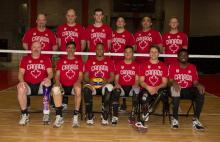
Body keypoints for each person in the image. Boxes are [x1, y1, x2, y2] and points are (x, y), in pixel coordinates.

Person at [17, 41, 53, 125]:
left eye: (38, 47)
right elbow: (20, 73)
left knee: (47, 84)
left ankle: (46, 114)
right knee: (21, 88)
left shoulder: (46, 59)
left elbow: (50, 73)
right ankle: (24, 114)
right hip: (28, 84)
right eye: (34, 47)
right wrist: (22, 82)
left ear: (41, 49)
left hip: (41, 84)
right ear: (31, 48)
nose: (36, 49)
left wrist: (48, 78)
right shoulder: (25, 59)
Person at [168, 48, 205, 131]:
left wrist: (199, 85)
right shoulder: (172, 65)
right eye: (181, 55)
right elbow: (169, 80)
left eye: (185, 55)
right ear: (178, 57)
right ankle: (175, 119)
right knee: (175, 90)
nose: (183, 56)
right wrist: (173, 82)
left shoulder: (192, 67)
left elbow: (195, 82)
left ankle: (196, 119)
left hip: (188, 90)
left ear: (188, 57)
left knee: (201, 92)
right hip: (177, 89)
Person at [56, 9, 86, 109]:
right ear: (66, 16)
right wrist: (67, 54)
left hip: (76, 59)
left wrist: (74, 55)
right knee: (62, 78)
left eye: (72, 16)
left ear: (75, 17)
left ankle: (76, 106)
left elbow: (83, 44)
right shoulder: (61, 28)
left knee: (76, 80)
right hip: (64, 58)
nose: (70, 17)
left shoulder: (80, 28)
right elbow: (60, 44)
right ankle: (63, 102)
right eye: (69, 15)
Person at [51, 41, 83, 128]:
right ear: (66, 49)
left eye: (72, 48)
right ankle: (59, 116)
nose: (70, 49)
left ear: (75, 49)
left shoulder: (79, 61)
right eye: (69, 47)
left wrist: (78, 82)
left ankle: (75, 116)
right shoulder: (61, 61)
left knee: (78, 89)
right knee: (55, 89)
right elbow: (57, 75)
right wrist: (58, 82)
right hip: (63, 85)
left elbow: (80, 76)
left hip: (73, 85)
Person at [83, 43, 115, 125]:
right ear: (95, 50)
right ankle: (90, 115)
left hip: (104, 85)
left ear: (104, 50)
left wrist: (107, 80)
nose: (99, 50)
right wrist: (89, 80)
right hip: (93, 84)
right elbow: (85, 76)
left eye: (101, 49)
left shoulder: (109, 61)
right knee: (86, 89)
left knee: (109, 88)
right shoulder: (90, 61)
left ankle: (104, 115)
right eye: (98, 49)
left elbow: (112, 76)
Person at [138, 45, 168, 131]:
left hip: (159, 89)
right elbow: (141, 81)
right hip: (147, 88)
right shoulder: (143, 65)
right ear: (149, 54)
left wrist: (156, 88)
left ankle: (149, 109)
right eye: (151, 51)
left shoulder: (163, 66)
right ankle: (145, 112)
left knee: (162, 93)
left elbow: (165, 83)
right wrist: (148, 87)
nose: (153, 53)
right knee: (144, 96)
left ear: (159, 54)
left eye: (155, 52)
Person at [113, 45, 139, 126]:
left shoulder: (137, 65)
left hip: (131, 87)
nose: (128, 54)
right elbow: (116, 79)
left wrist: (135, 86)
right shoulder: (118, 64)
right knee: (116, 91)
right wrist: (117, 84)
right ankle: (115, 115)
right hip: (121, 87)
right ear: (123, 53)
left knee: (137, 91)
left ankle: (132, 115)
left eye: (130, 52)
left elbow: (137, 79)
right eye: (126, 52)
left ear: (133, 54)